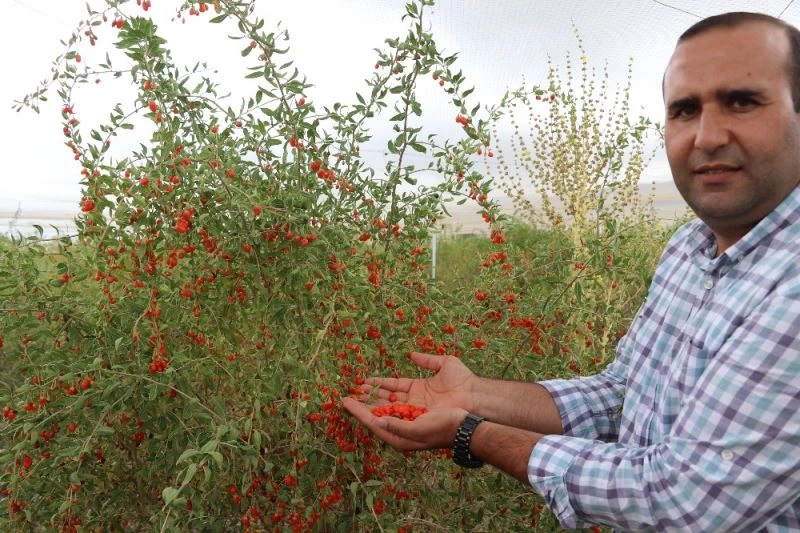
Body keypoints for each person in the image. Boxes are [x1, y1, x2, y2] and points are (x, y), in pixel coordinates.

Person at [343, 11, 800, 532]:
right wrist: (476, 397)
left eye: (742, 101)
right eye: (685, 110)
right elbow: (623, 397)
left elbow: (686, 501)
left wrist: (473, 432)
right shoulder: (689, 249)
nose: (707, 136)